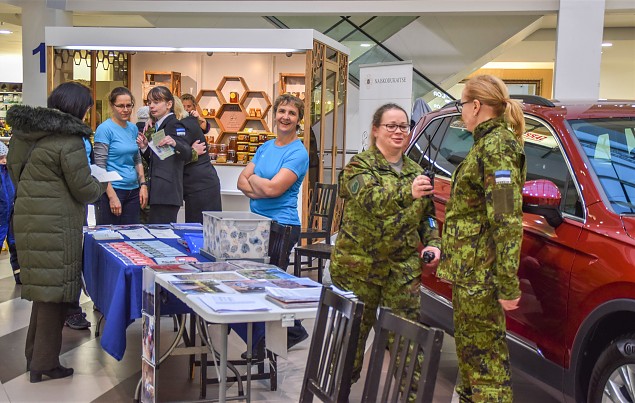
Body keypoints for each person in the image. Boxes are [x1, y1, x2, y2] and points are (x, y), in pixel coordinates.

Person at [329, 103, 441, 395]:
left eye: (403, 126)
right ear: (376, 130)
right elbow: (372, 200)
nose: (398, 131)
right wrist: (408, 192)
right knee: (350, 344)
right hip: (358, 270)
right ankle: (337, 394)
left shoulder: (416, 171)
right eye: (391, 126)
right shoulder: (358, 167)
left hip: (401, 272)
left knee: (408, 344)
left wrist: (433, 242)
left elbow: (428, 216)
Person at [6, 81, 105, 383]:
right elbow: (84, 188)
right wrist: (102, 184)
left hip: (29, 218)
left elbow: (15, 172)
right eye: (87, 108)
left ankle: (34, 355)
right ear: (77, 108)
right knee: (55, 295)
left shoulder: (24, 134)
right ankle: (45, 363)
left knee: (43, 292)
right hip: (57, 224)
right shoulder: (69, 139)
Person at [436, 74, 526, 402]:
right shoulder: (485, 144)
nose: (461, 111)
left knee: (486, 368)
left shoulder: (498, 146)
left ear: (476, 106)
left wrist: (507, 283)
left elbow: (505, 217)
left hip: (481, 277)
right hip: (469, 273)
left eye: (462, 104)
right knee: (472, 358)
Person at [236, 93, 310, 352]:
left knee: (270, 283)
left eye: (292, 113)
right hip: (258, 223)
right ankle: (290, 331)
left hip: (282, 226)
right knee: (259, 282)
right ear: (275, 114)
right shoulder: (265, 147)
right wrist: (262, 186)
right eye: (282, 111)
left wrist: (256, 181)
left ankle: (276, 339)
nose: (285, 117)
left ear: (299, 119)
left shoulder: (298, 153)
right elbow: (240, 181)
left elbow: (273, 189)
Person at [136, 86, 192, 224]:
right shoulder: (159, 126)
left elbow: (187, 153)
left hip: (167, 192)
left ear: (169, 104)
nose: (151, 106)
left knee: (163, 232)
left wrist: (175, 143)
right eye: (150, 102)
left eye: (156, 102)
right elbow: (161, 157)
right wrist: (145, 148)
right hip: (158, 192)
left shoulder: (175, 124)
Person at [93, 87, 148, 225]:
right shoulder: (105, 129)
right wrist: (112, 196)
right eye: (121, 106)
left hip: (133, 190)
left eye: (129, 105)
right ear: (112, 106)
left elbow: (137, 159)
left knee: (132, 234)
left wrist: (143, 185)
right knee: (110, 234)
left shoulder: (133, 128)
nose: (125, 110)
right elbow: (100, 167)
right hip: (112, 190)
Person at [172, 98, 222, 222]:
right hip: (199, 184)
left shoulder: (183, 126)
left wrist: (192, 152)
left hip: (200, 185)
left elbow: (175, 156)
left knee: (201, 226)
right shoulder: (186, 122)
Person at [0, 142, 19, 284]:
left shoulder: (9, 172)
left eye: (5, 157)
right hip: (1, 217)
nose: (4, 160)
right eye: (1, 158)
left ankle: (19, 275)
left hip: (11, 215)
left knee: (15, 245)